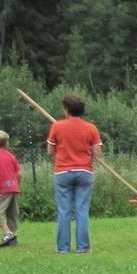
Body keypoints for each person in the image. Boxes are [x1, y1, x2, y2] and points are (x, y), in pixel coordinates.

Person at [46, 94, 102, 254]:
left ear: (66, 109)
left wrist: (61, 148)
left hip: (63, 172)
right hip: (84, 171)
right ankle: (83, 247)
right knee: (82, 211)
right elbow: (97, 154)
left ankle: (63, 248)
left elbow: (50, 152)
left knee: (64, 211)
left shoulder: (57, 126)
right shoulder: (91, 128)